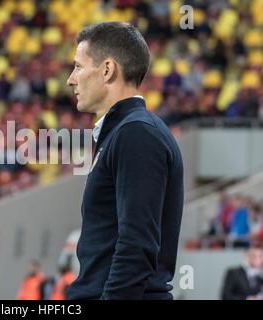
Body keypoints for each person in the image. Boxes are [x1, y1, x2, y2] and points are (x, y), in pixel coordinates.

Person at [65, 22, 184, 300]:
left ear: (107, 70)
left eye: (79, 67)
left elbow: (136, 245)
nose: (71, 79)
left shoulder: (135, 134)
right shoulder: (125, 132)